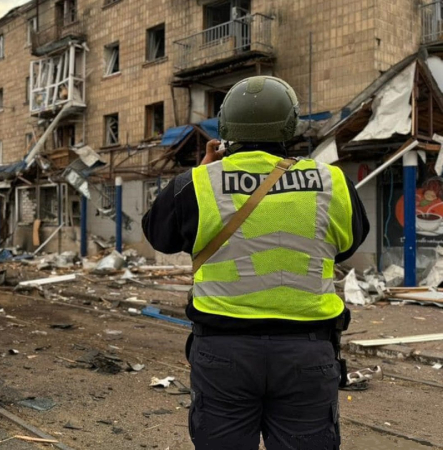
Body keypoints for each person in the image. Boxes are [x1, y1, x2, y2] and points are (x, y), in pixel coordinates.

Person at [143, 76, 369, 449]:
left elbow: (160, 236)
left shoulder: (196, 184)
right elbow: (344, 247)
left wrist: (206, 169)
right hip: (307, 352)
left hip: (224, 353)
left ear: (227, 127)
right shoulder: (332, 182)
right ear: (290, 126)